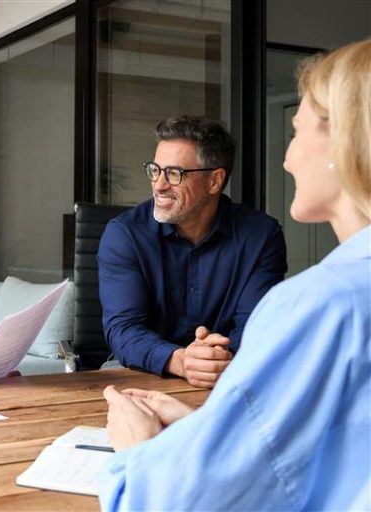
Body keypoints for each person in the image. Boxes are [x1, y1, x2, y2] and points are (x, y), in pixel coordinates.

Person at [101, 39, 371, 510]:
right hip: (179, 386)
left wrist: (139, 450)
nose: (286, 159)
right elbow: (324, 458)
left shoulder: (318, 302)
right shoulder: (125, 233)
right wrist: (188, 384)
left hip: (220, 391)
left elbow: (183, 501)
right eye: (154, 169)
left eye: (296, 131)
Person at [97, 116, 287, 388]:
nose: (159, 185)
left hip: (228, 371)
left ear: (215, 181)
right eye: (155, 170)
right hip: (141, 371)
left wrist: (214, 359)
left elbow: (254, 325)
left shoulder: (261, 236)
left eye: (174, 174)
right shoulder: (125, 234)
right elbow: (124, 330)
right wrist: (181, 360)